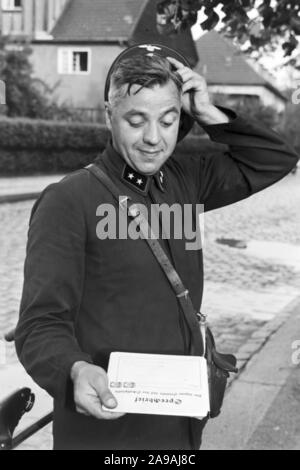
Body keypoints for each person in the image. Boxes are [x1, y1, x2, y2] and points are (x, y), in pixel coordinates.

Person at [15, 44, 299, 450]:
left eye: (167, 121)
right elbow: (39, 324)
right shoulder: (69, 200)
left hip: (180, 426)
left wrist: (208, 113)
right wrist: (75, 370)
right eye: (136, 120)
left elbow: (274, 159)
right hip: (107, 430)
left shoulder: (185, 181)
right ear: (109, 115)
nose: (153, 138)